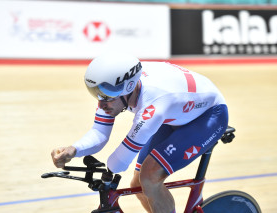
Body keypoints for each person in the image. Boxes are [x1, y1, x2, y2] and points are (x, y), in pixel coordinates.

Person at [51, 53, 229, 213]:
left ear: (129, 87)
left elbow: (119, 163)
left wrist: (105, 173)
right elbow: (100, 133)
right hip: (176, 112)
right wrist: (73, 150)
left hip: (209, 115)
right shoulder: (115, 92)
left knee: (149, 178)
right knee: (137, 184)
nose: (101, 103)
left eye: (107, 93)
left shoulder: (153, 106)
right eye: (96, 92)